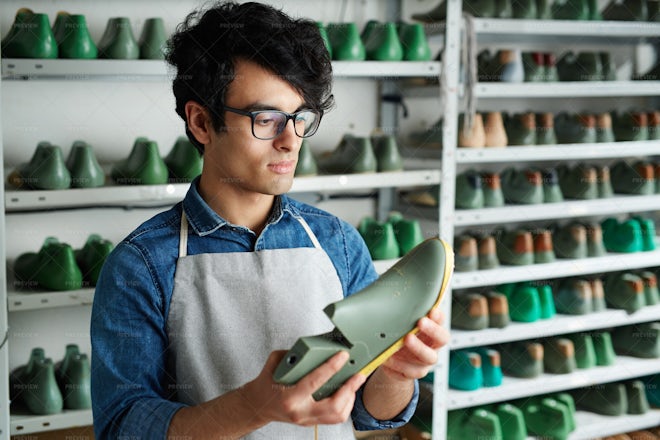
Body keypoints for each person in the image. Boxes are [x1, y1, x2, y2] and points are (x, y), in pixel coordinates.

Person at [90, 1, 449, 438]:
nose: (290, 141)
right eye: (267, 119)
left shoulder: (337, 242)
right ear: (202, 122)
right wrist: (253, 406)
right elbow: (122, 427)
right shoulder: (141, 265)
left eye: (300, 118)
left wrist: (396, 373)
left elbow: (366, 412)